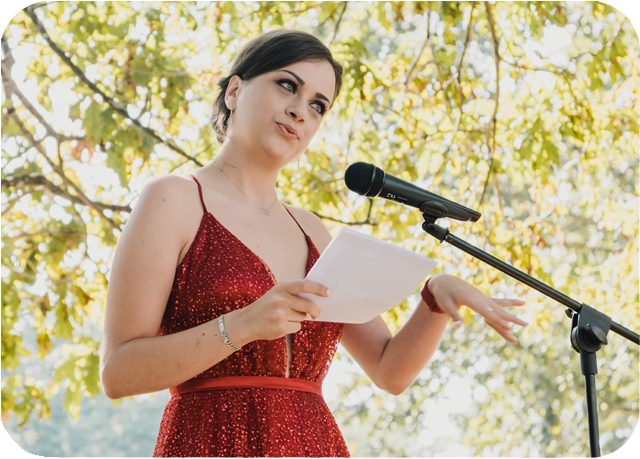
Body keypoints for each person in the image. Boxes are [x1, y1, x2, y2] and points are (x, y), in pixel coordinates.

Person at [99, 29, 527, 458]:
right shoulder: (173, 198)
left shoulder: (313, 232)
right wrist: (243, 326)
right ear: (234, 90)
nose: (300, 111)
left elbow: (388, 370)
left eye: (318, 106)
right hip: (210, 442)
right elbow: (118, 373)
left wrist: (435, 299)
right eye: (288, 85)